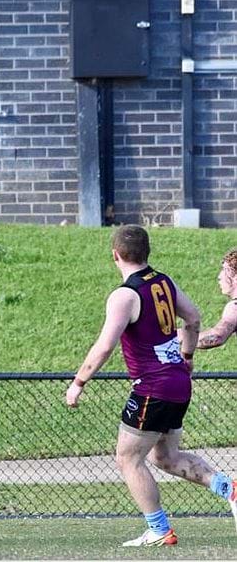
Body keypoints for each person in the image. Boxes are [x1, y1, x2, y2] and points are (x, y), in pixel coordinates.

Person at [65, 225, 237, 547]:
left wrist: (78, 383)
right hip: (177, 382)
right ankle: (230, 489)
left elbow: (105, 346)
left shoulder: (124, 295)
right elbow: (194, 318)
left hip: (152, 387)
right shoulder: (164, 281)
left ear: (115, 255)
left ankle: (159, 529)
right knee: (165, 457)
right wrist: (186, 358)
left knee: (127, 459)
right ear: (148, 252)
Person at [195, 248, 237, 351]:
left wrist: (174, 337)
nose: (219, 276)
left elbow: (216, 337)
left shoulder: (235, 307)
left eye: (225, 270)